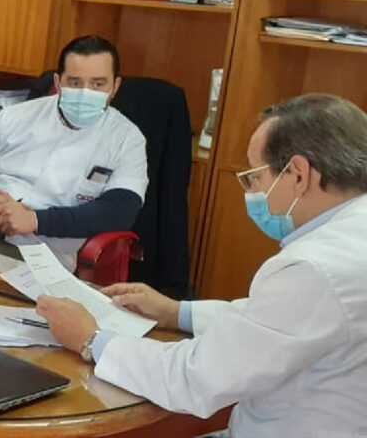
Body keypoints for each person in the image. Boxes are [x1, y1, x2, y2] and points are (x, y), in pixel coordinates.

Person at [37, 93, 367, 438]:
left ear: (298, 175)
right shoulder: (348, 241)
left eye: (255, 178)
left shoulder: (314, 267)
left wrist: (91, 339)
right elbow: (269, 321)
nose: (252, 192)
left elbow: (194, 379)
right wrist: (176, 312)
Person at [0, 36, 146, 270]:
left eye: (98, 84)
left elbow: (118, 212)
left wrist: (36, 221)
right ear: (58, 82)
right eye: (74, 82)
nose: (85, 93)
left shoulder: (127, 139)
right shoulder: (18, 115)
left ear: (115, 87)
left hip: (40, 250)